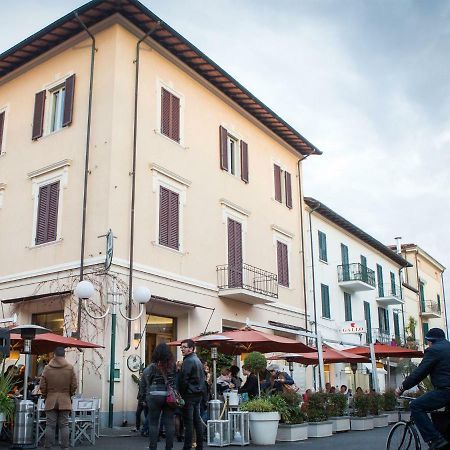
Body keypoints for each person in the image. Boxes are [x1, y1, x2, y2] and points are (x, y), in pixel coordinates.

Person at [395, 328, 450, 450]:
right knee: (443, 420)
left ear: (430, 341)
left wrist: (402, 388)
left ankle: (435, 440)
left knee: (416, 405)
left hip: (445, 391)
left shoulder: (433, 350)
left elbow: (419, 373)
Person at [39, 346, 77, 450]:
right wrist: (69, 394)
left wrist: (46, 395)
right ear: (64, 355)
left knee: (50, 425)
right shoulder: (70, 368)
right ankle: (65, 447)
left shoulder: (47, 368)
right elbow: (74, 385)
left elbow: (42, 385)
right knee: (64, 425)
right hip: (65, 399)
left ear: (54, 355)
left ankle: (48, 447)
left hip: (50, 399)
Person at [140, 343, 176, 450]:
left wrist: (143, 397)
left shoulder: (151, 367)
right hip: (169, 396)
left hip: (154, 396)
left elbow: (144, 382)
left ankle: (153, 447)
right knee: (169, 423)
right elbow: (176, 380)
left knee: (153, 423)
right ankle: (169, 448)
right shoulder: (172, 366)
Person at [179, 339, 206, 450]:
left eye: (184, 347)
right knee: (196, 421)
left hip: (189, 395)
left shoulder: (189, 361)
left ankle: (187, 447)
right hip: (197, 394)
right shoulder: (197, 360)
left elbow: (184, 380)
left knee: (189, 423)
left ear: (191, 349)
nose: (182, 349)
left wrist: (181, 393)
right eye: (181, 347)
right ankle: (199, 446)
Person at [134, 369, 148, 435]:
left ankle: (145, 429)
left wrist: (144, 400)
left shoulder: (145, 380)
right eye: (140, 373)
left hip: (145, 399)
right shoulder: (141, 380)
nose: (141, 374)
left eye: (142, 372)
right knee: (138, 413)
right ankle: (138, 427)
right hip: (141, 399)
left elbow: (144, 390)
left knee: (146, 415)